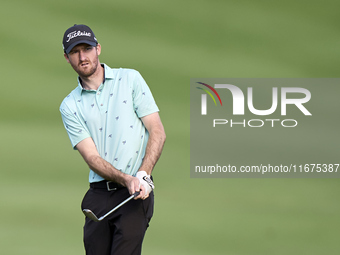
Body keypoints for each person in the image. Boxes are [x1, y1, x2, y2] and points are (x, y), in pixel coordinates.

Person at [59, 24, 166, 255]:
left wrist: (142, 174)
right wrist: (124, 178)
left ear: (98, 48)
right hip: (99, 194)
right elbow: (91, 157)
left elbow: (157, 131)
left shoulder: (130, 79)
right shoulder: (70, 105)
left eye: (86, 48)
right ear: (67, 58)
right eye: (75, 52)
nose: (82, 56)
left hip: (134, 194)